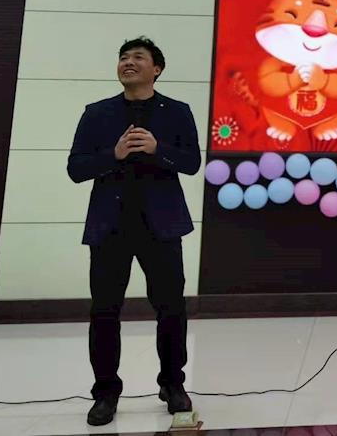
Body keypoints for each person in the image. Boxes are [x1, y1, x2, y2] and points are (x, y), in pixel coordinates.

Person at [67, 37, 201, 426]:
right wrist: (114, 155)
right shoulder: (97, 113)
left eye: (138, 57)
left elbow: (192, 163)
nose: (128, 62)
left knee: (171, 307)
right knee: (104, 310)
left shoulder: (177, 112)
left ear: (156, 69)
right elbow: (76, 168)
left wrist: (158, 149)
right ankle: (105, 392)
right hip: (110, 226)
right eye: (123, 57)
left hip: (162, 225)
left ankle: (172, 384)